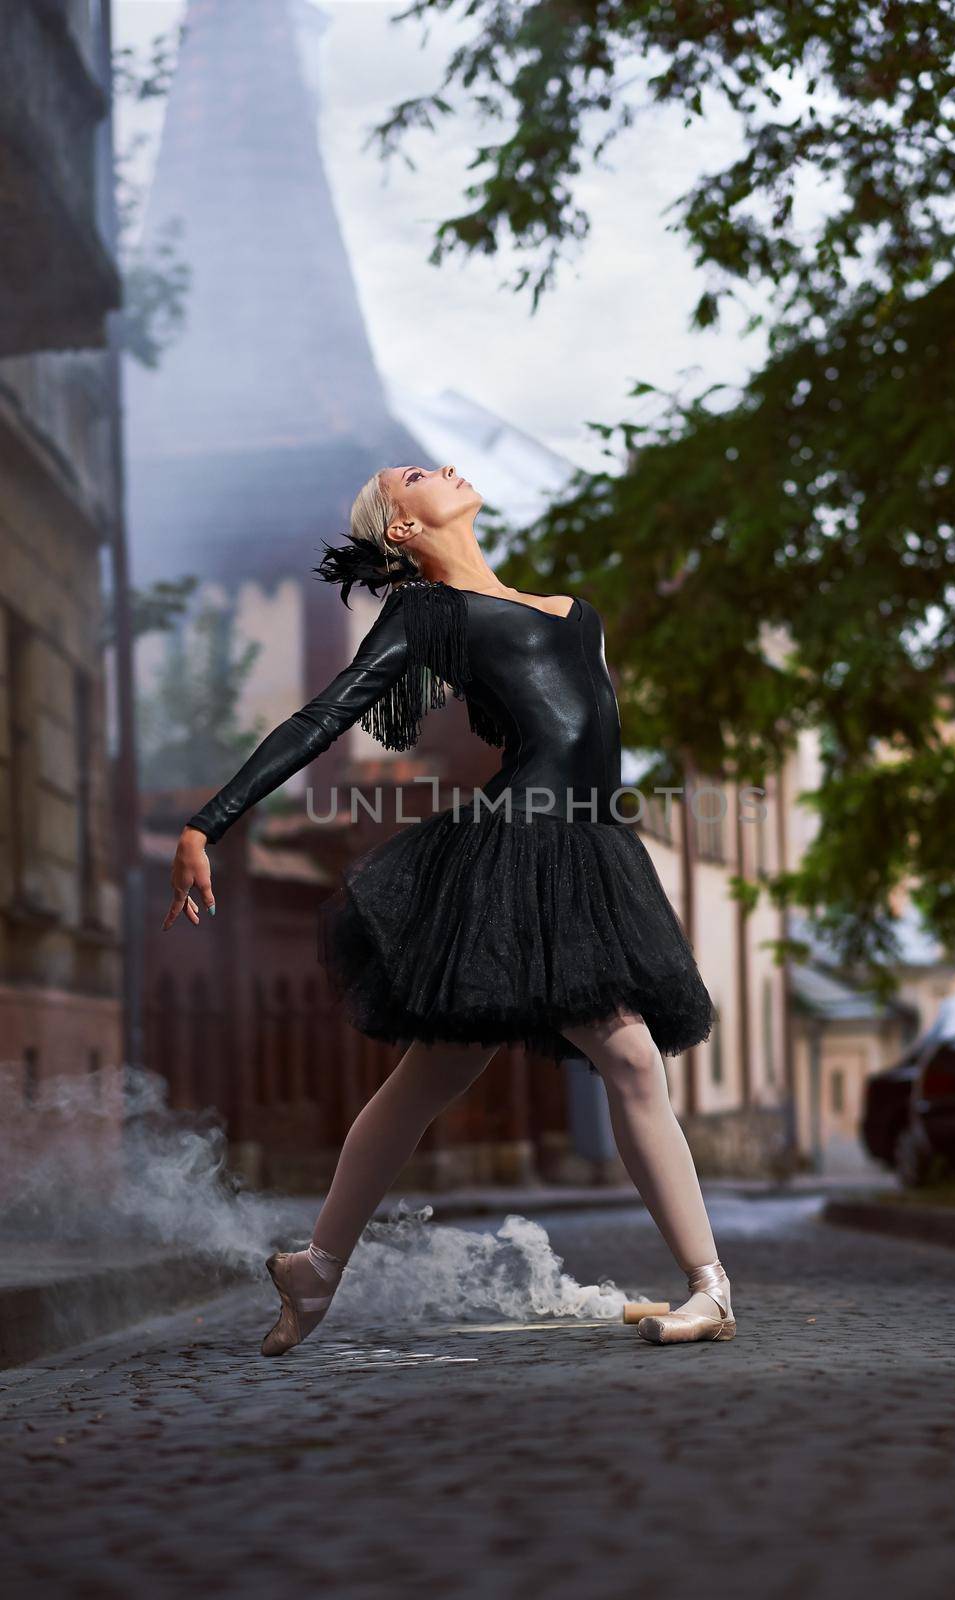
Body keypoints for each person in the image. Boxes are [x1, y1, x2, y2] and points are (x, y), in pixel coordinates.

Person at [165, 463, 736, 1353]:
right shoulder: (429, 615)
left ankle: (315, 1271)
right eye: (419, 475)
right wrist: (209, 823)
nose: (447, 471)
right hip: (515, 854)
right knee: (617, 1057)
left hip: (583, 848)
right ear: (401, 526)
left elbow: (585, 739)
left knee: (432, 1078)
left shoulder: (573, 613)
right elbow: (324, 717)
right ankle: (709, 1288)